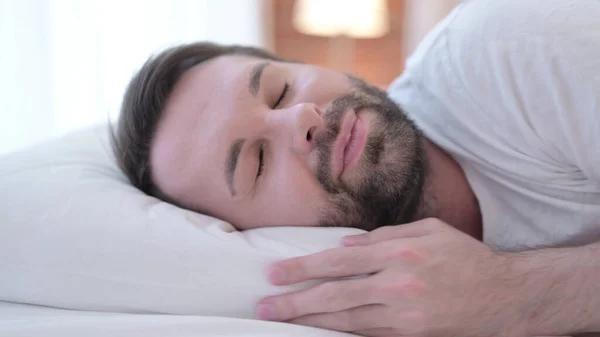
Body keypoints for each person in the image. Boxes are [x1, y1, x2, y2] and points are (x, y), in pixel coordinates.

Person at [111, 0, 600, 336]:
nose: (301, 117)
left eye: (281, 89)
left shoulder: (513, 48)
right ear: (247, 234)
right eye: (257, 162)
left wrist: (508, 292)